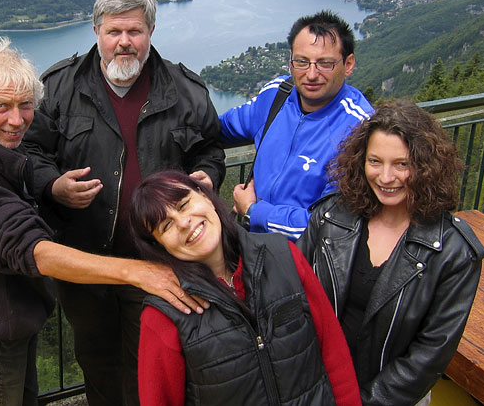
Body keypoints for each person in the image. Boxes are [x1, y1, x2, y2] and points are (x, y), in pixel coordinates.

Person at [0, 38, 206, 406]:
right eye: (2, 107)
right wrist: (138, 272)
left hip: (6, 317)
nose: (17, 120)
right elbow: (35, 252)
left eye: (25, 106)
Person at [22, 0, 225, 406]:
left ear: (150, 31)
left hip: (160, 263)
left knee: (155, 366)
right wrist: (53, 185)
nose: (124, 42)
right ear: (97, 31)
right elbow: (31, 150)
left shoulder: (186, 91)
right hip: (87, 264)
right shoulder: (59, 88)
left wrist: (206, 174)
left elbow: (210, 148)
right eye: (114, 32)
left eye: (134, 31)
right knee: (97, 362)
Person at [297, 100, 484, 406]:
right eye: (375, 161)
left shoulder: (453, 252)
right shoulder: (332, 216)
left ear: (427, 166)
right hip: (317, 389)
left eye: (402, 164)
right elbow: (290, 292)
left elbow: (429, 355)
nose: (385, 177)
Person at [129, 170, 362, 406]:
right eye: (166, 225)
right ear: (158, 246)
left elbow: (333, 353)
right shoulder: (164, 314)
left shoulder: (284, 255)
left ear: (206, 196)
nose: (183, 222)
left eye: (184, 204)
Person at [219, 10, 373, 241]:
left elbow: (331, 225)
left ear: (348, 64)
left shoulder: (359, 130)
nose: (311, 74)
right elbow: (219, 128)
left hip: (308, 265)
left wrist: (254, 211)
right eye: (301, 62)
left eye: (325, 64)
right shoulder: (277, 95)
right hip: (257, 252)